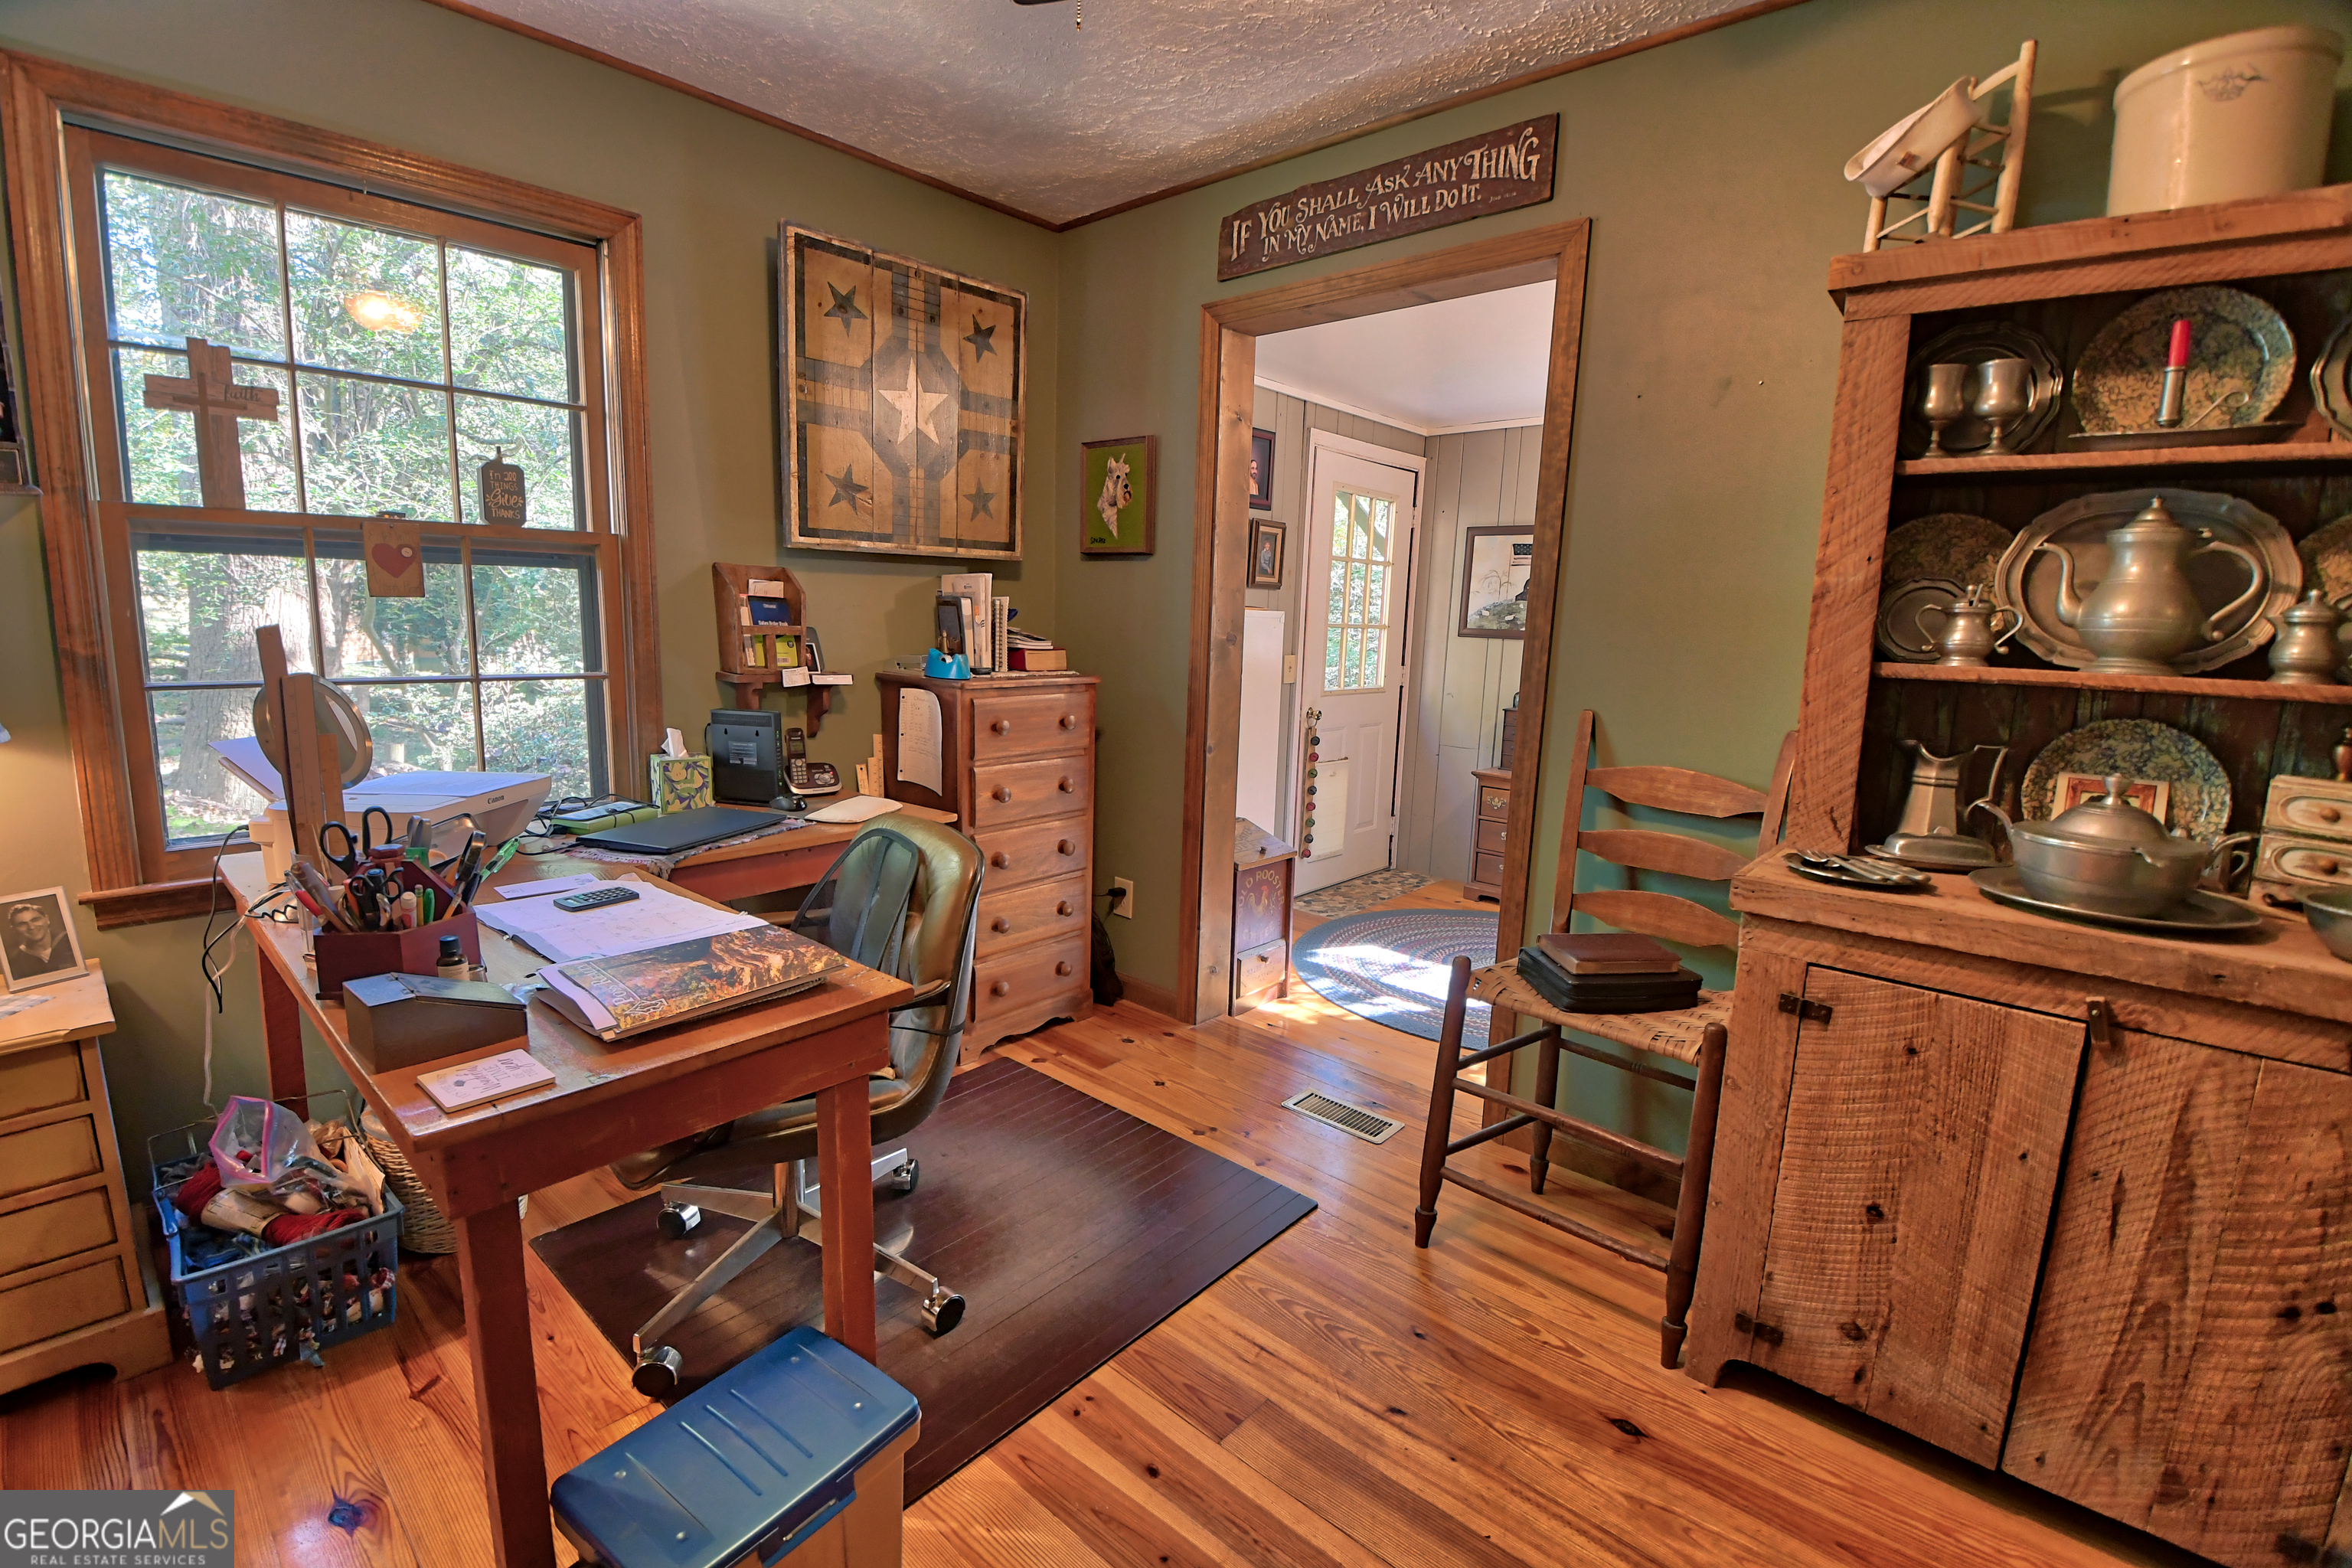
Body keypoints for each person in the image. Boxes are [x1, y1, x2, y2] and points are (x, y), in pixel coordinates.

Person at [5, 900, 77, 978]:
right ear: (14, 929)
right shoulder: (15, 961)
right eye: (22, 924)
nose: (31, 927)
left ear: (47, 919)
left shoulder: (69, 941)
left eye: (35, 920)